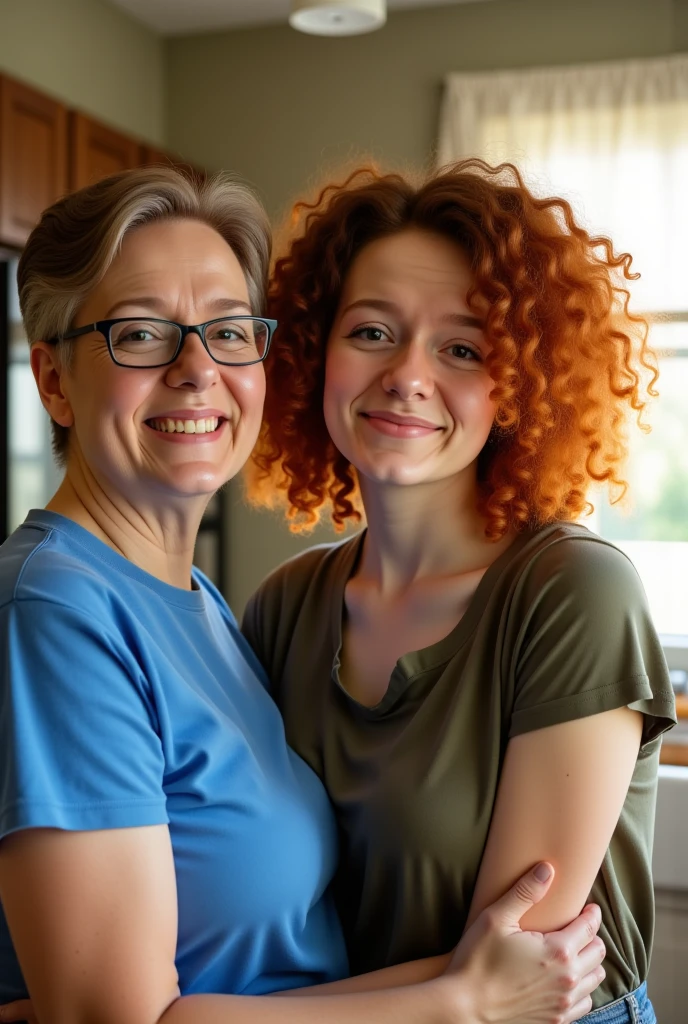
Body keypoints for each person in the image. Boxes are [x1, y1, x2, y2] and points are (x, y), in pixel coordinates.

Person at [0, 166, 606, 1024]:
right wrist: (460, 1001)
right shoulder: (58, 611)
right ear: (55, 381)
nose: (197, 370)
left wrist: (469, 992)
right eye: (140, 335)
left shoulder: (205, 607)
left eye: (228, 332)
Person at [243, 160, 676, 1024]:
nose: (407, 374)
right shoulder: (284, 606)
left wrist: (181, 1016)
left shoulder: (573, 592)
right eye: (371, 331)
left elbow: (515, 981)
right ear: (311, 351)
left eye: (464, 348)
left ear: (518, 387)